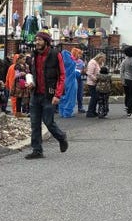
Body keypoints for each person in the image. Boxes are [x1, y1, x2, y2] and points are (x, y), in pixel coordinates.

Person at [24, 31, 68, 159]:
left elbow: (62, 75)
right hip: (35, 94)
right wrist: (31, 83)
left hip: (49, 95)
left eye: (40, 40)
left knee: (48, 122)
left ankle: (61, 137)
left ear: (46, 42)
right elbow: (32, 72)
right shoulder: (34, 55)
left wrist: (57, 95)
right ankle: (37, 150)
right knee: (34, 123)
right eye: (36, 40)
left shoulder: (55, 54)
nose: (37, 42)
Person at [85, 53, 106, 118]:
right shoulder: (92, 62)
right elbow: (89, 73)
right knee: (94, 97)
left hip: (96, 83)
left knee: (96, 98)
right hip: (92, 83)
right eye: (101, 60)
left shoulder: (98, 63)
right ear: (99, 58)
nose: (102, 61)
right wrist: (96, 79)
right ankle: (89, 112)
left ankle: (93, 111)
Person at [58, 49, 77, 118]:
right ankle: (67, 113)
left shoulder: (61, 62)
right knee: (70, 97)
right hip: (71, 81)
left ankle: (62, 112)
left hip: (63, 81)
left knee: (63, 97)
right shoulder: (71, 63)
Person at [71, 48, 86, 113]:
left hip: (80, 79)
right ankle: (69, 108)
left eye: (81, 54)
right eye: (79, 53)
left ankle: (80, 107)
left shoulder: (81, 61)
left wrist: (84, 71)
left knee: (80, 94)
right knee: (70, 94)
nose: (80, 55)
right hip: (72, 80)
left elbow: (83, 70)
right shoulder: (71, 60)